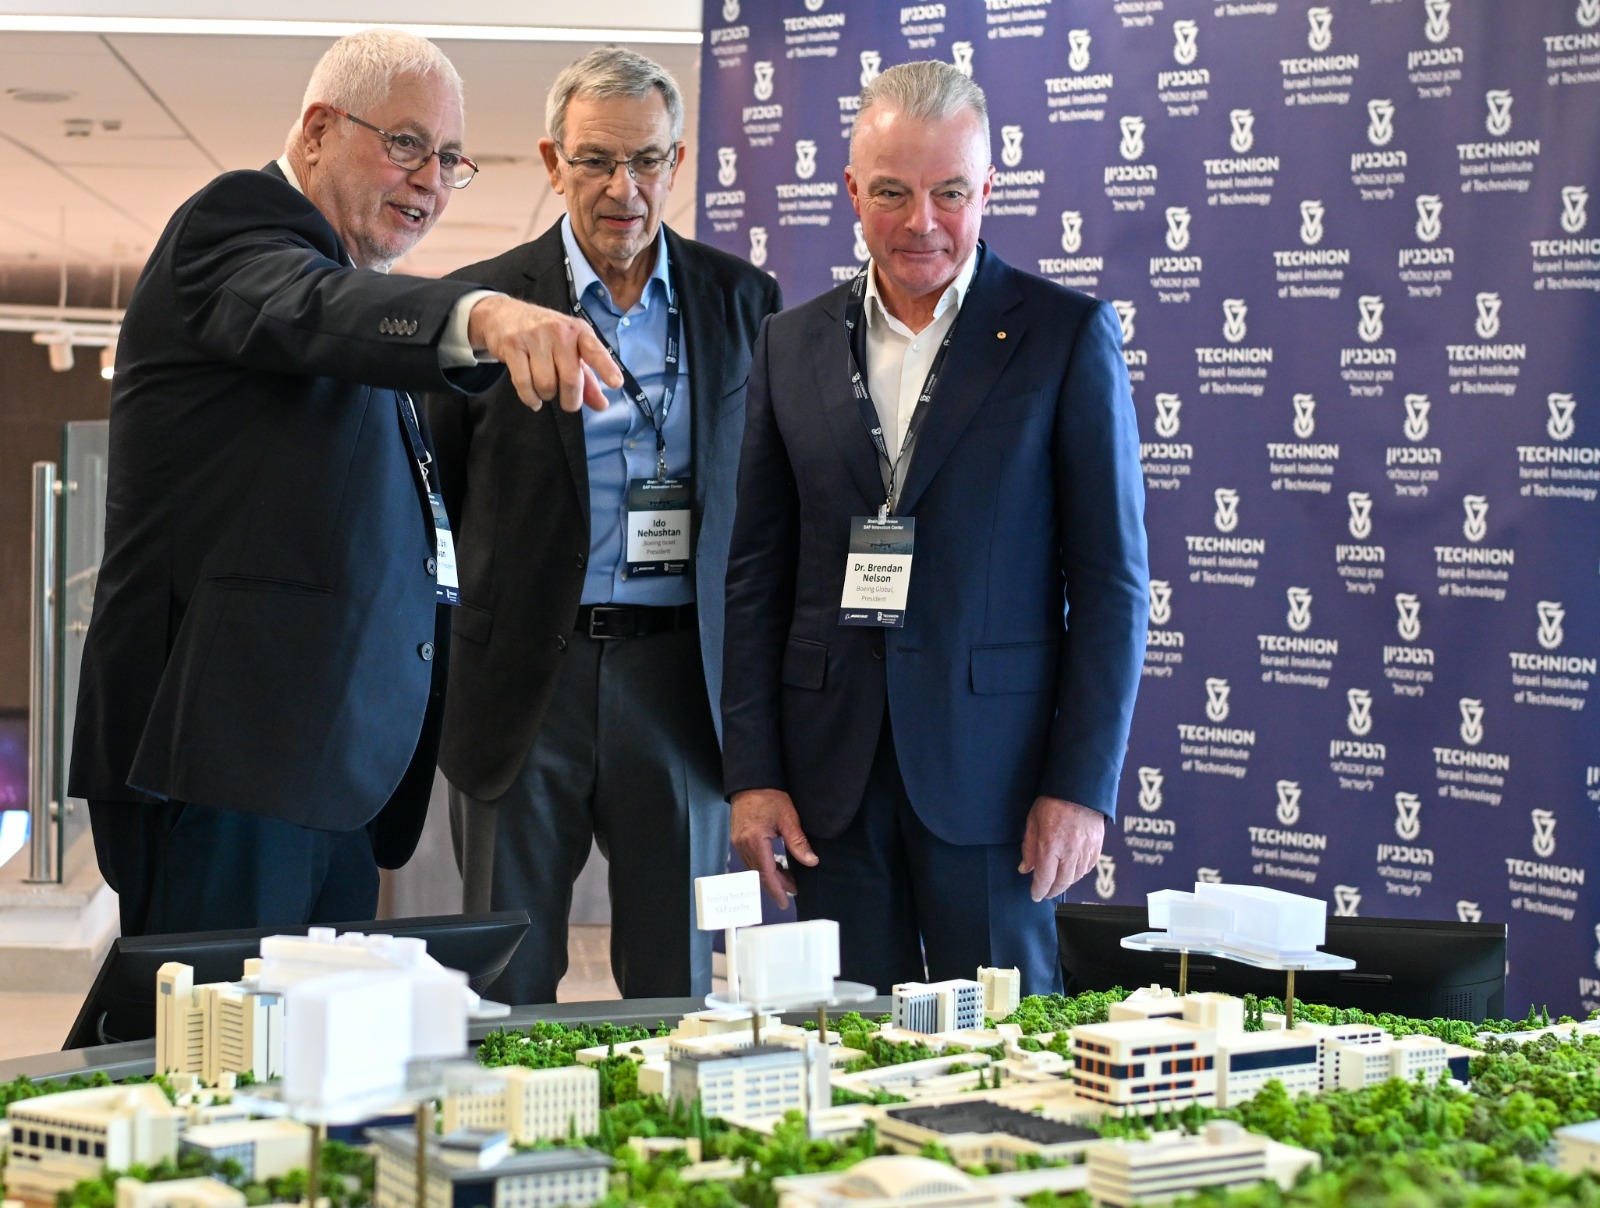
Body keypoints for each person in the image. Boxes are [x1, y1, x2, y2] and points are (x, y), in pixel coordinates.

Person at [70, 28, 623, 938]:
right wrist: (479, 312)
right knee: (219, 1030)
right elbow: (312, 307)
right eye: (406, 144)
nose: (431, 180)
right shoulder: (236, 227)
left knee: (322, 1031)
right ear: (320, 130)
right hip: (224, 769)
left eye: (449, 159)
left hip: (331, 771)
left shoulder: (353, 276)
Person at [721, 60, 1149, 996]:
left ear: (987, 189)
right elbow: (756, 575)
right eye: (893, 192)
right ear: (852, 191)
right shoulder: (789, 344)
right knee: (844, 1044)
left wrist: (1081, 787)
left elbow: (1112, 585)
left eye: (950, 192)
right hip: (829, 785)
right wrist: (753, 774)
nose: (922, 221)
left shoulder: (1064, 337)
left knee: (1004, 1049)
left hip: (997, 785)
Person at [426, 47, 782, 1005]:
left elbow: (765, 510)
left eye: (648, 160)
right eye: (595, 160)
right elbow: (439, 507)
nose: (624, 189)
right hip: (521, 684)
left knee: (678, 984)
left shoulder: (744, 303)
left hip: (679, 684)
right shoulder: (482, 308)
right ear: (554, 162)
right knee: (504, 983)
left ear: (676, 163)